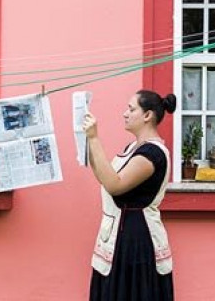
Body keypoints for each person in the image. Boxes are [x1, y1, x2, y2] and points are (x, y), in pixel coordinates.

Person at [82, 90, 176, 301]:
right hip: (120, 232)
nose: (125, 113)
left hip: (134, 238)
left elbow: (115, 185)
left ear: (147, 115)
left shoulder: (152, 154)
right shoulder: (134, 148)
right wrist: (87, 143)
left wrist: (95, 138)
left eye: (131, 109)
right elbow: (105, 178)